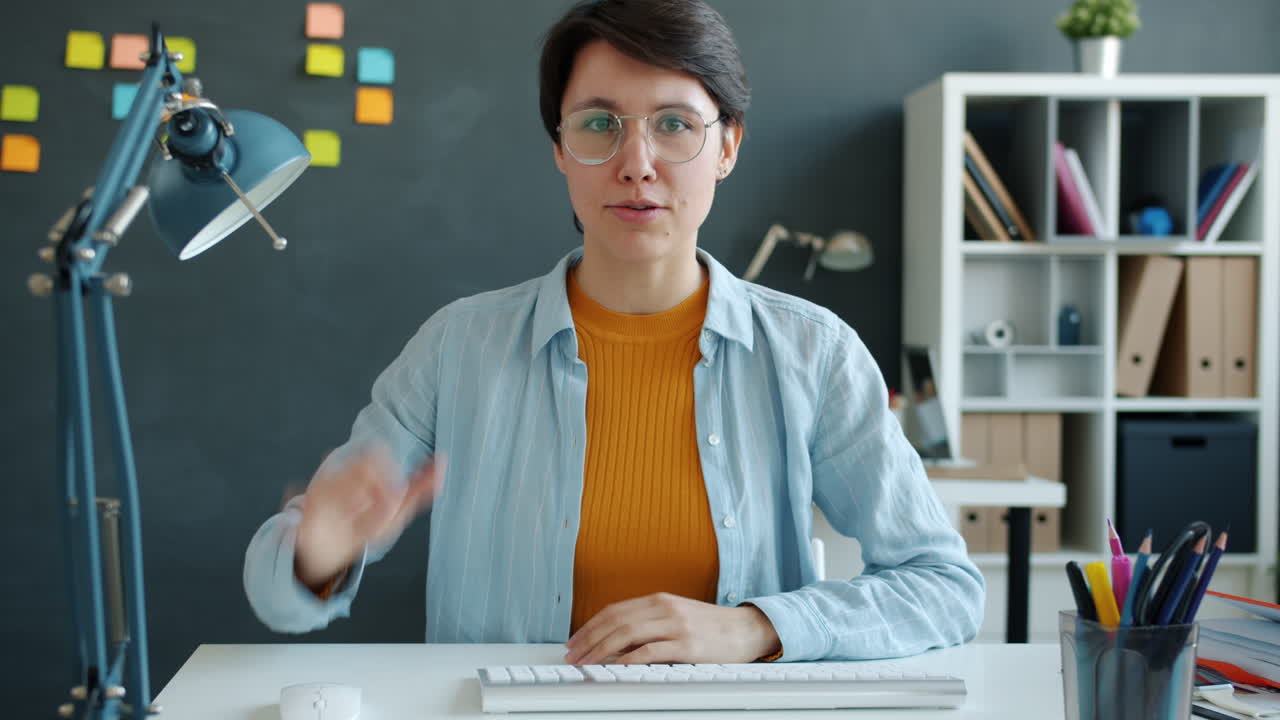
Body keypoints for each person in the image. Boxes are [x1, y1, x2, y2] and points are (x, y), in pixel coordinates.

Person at [244, 0, 983, 664]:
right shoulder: (455, 348)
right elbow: (276, 595)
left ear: (727, 148)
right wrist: (316, 554)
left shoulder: (813, 353)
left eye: (675, 125)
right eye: (600, 125)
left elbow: (945, 588)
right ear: (560, 150)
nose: (637, 165)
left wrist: (755, 627)